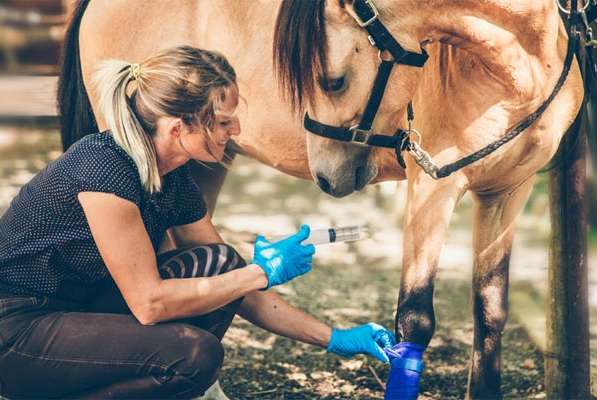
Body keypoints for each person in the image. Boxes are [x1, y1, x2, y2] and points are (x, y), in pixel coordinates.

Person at [0, 46, 394, 398]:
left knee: (221, 261)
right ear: (178, 128)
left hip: (77, 309)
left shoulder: (171, 177)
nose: (235, 131)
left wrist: (335, 337)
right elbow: (150, 304)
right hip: (17, 331)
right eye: (223, 122)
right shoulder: (104, 171)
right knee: (193, 357)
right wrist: (259, 272)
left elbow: (234, 282)